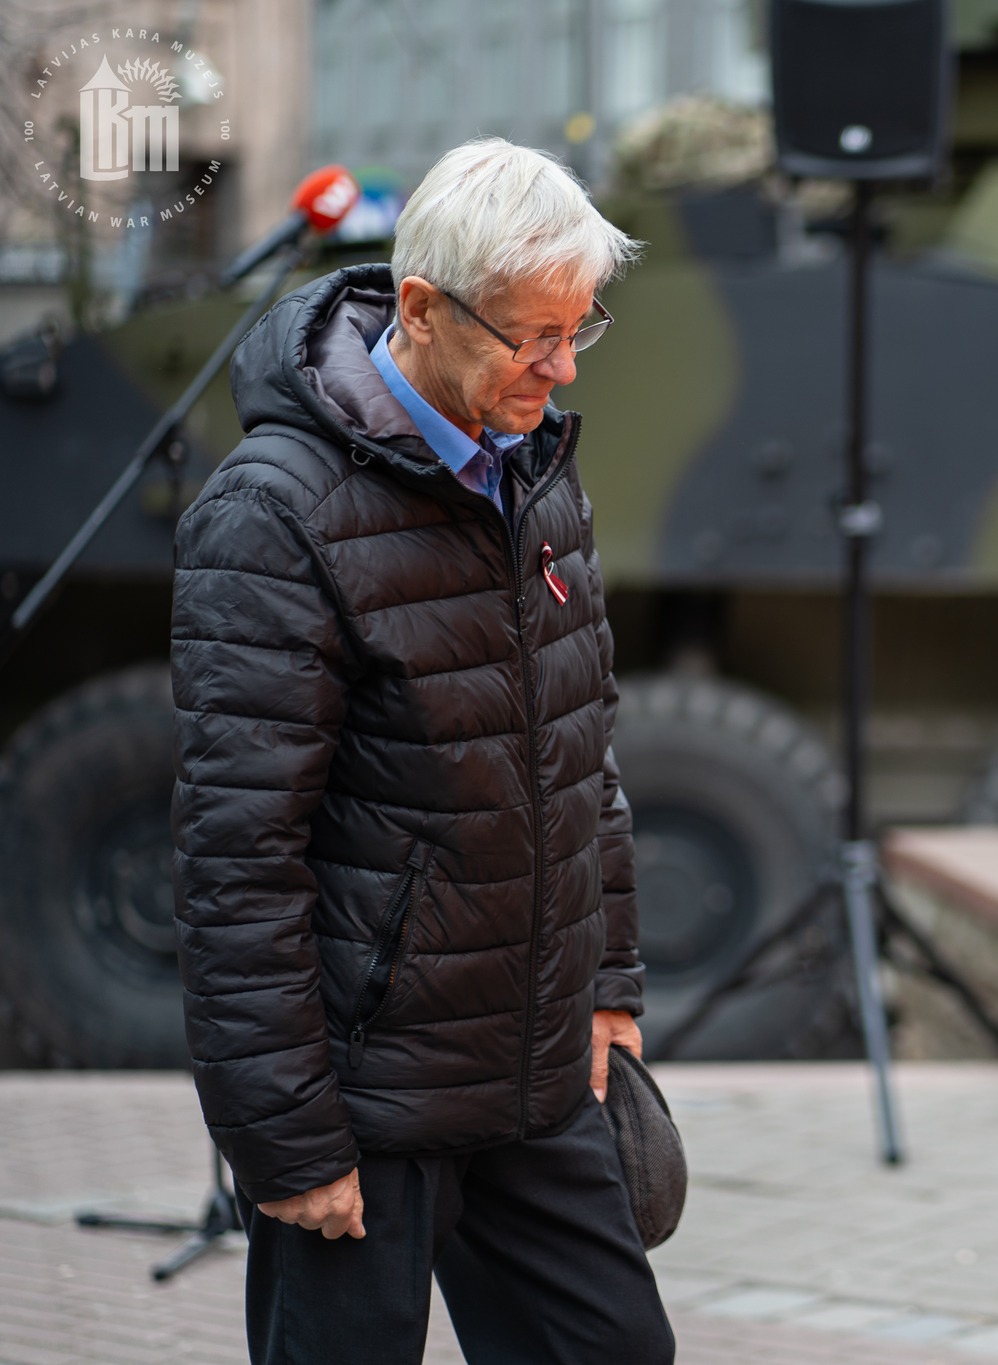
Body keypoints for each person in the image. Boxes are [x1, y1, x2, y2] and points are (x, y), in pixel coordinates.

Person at [170, 138, 673, 1364]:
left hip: (537, 1073)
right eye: (529, 337)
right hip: (365, 1103)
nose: (557, 371)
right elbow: (239, 858)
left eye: (578, 330)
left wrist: (606, 987)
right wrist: (285, 1140)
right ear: (419, 310)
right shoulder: (271, 514)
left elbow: (580, 758)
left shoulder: (540, 475)